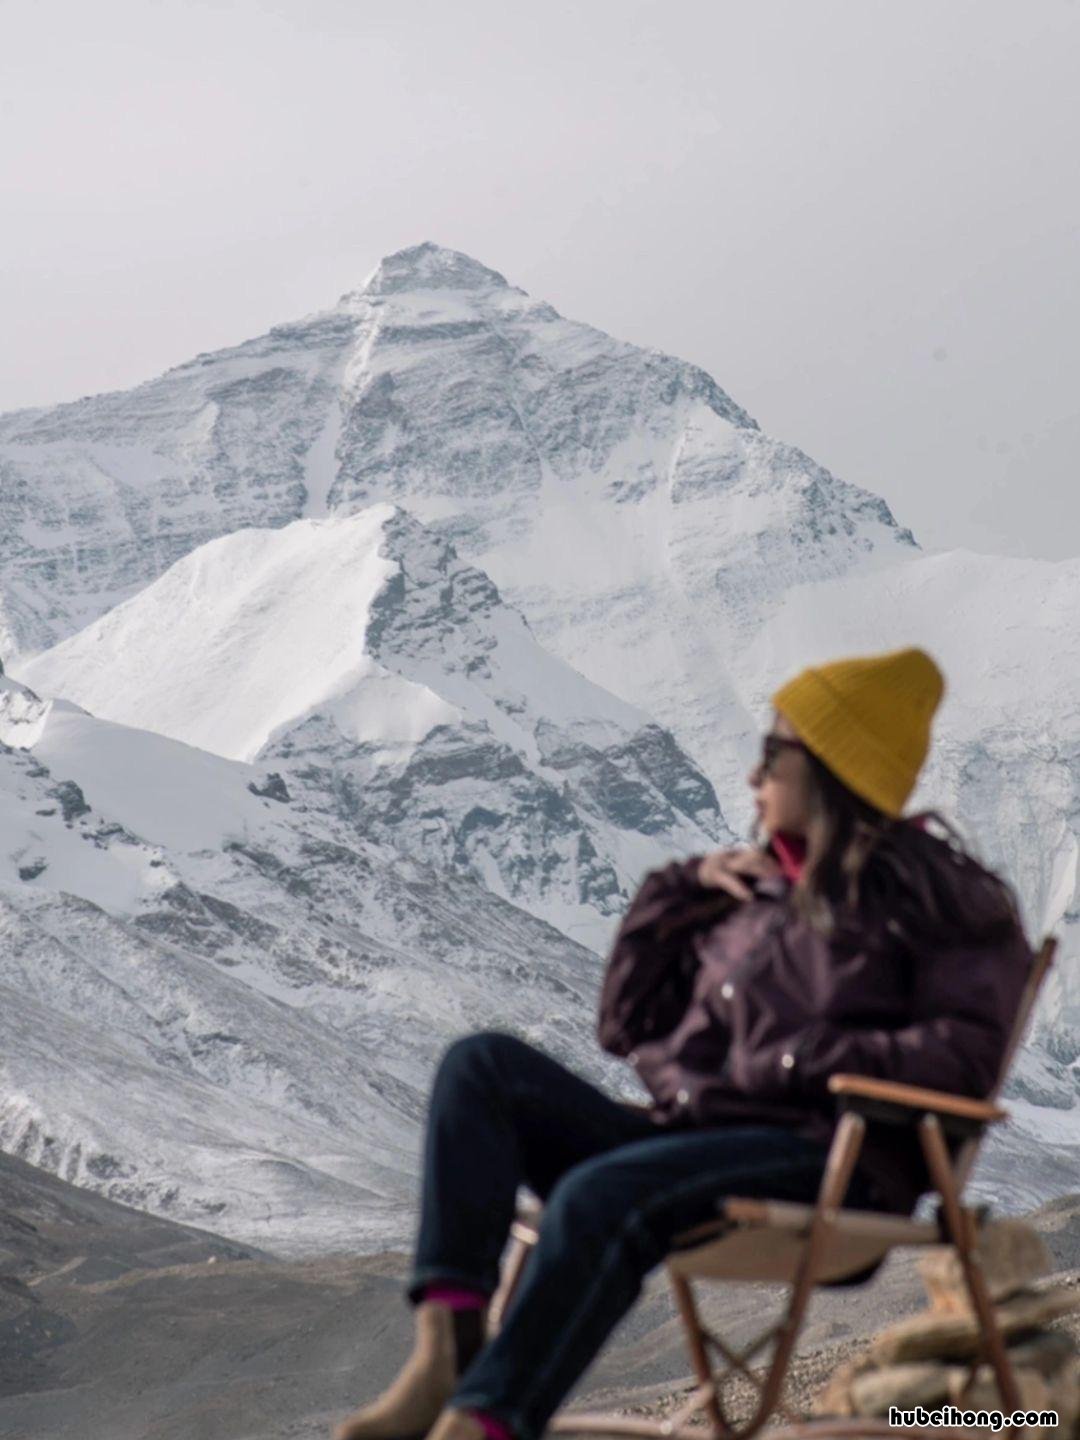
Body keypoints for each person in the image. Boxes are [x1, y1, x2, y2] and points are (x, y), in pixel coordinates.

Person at [332, 645, 1034, 1440]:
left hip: (830, 1162)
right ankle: (447, 1350)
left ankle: (487, 1421)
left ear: (832, 767)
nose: (753, 779)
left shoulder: (942, 898)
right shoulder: (759, 888)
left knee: (601, 1194)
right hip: (694, 1141)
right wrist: (683, 888)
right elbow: (625, 1022)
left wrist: (797, 1062)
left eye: (772, 755)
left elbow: (965, 1059)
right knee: (482, 1068)